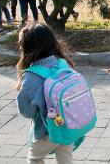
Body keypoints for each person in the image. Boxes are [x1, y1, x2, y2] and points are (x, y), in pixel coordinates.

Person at [16, 24, 74, 164]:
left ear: (27, 48)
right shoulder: (62, 63)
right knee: (65, 159)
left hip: (47, 130)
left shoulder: (32, 75)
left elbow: (26, 111)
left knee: (35, 158)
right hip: (69, 123)